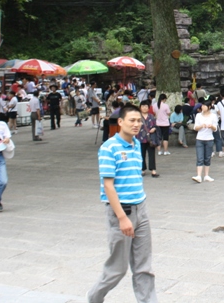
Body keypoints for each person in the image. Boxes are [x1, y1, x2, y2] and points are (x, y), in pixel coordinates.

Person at [87, 104, 157, 303]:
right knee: (117, 269)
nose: (136, 125)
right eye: (131, 121)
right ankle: (94, 298)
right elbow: (108, 186)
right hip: (121, 212)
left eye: (138, 121)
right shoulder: (109, 148)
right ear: (120, 122)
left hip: (140, 209)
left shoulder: (136, 144)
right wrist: (122, 218)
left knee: (144, 267)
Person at [192, 100, 217, 183]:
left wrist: (211, 126)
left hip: (209, 139)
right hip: (200, 138)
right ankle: (199, 176)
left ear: (209, 107)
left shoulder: (213, 116)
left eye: (204, 106)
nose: (202, 107)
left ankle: (206, 175)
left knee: (207, 158)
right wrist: (201, 126)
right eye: (202, 106)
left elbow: (215, 128)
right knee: (200, 158)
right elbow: (195, 127)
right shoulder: (198, 115)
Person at [139, 101, 159, 178]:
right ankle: (142, 169)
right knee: (141, 154)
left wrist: (154, 128)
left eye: (146, 106)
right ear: (140, 107)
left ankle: (153, 169)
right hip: (140, 138)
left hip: (150, 139)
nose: (144, 108)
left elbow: (155, 126)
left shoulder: (151, 116)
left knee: (152, 154)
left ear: (148, 108)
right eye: (143, 106)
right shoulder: (137, 117)